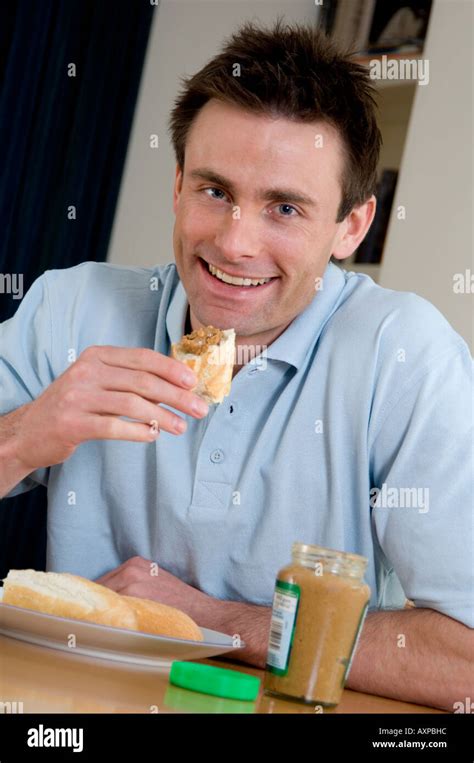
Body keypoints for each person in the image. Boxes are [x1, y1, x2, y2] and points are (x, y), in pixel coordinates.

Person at [0, 20, 472, 709]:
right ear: (178, 186)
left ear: (352, 226)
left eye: (284, 207)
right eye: (215, 191)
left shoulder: (406, 355)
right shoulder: (70, 308)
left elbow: (464, 657)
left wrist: (210, 619)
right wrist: (23, 437)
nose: (234, 243)